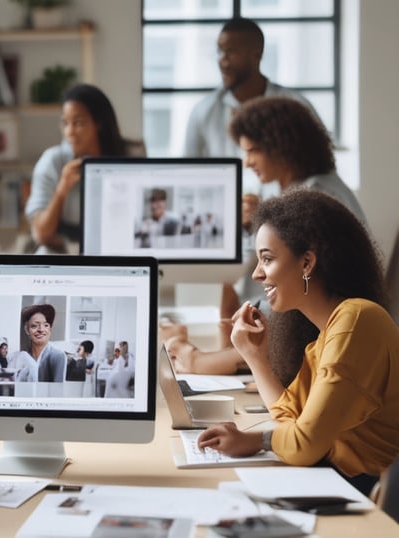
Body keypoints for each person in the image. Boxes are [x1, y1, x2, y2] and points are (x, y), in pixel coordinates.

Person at [197, 190, 399, 496]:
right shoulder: (324, 338)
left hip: (361, 494)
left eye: (267, 258)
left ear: (307, 263)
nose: (256, 273)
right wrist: (255, 357)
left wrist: (254, 441)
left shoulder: (356, 322)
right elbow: (289, 420)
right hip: (334, 479)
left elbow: (304, 444)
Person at [166, 96, 367, 376]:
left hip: (310, 352)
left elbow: (302, 299)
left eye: (253, 151)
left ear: (282, 148)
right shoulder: (303, 191)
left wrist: (204, 360)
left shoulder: (315, 200)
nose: (247, 162)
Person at [24, 83, 143, 254]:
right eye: (65, 123)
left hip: (117, 250)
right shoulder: (52, 161)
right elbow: (41, 234)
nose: (69, 132)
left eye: (78, 123)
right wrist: (62, 189)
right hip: (64, 254)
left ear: (99, 123)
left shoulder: (131, 155)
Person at [184, 17, 319, 159]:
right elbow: (188, 172)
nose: (222, 61)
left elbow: (319, 167)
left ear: (257, 54)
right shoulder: (204, 110)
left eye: (231, 52)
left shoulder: (296, 107)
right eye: (220, 52)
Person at [11, 303, 66, 382]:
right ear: (27, 330)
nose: (41, 329)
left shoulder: (57, 355)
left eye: (46, 325)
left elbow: (58, 389)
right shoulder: (22, 356)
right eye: (34, 326)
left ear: (50, 329)